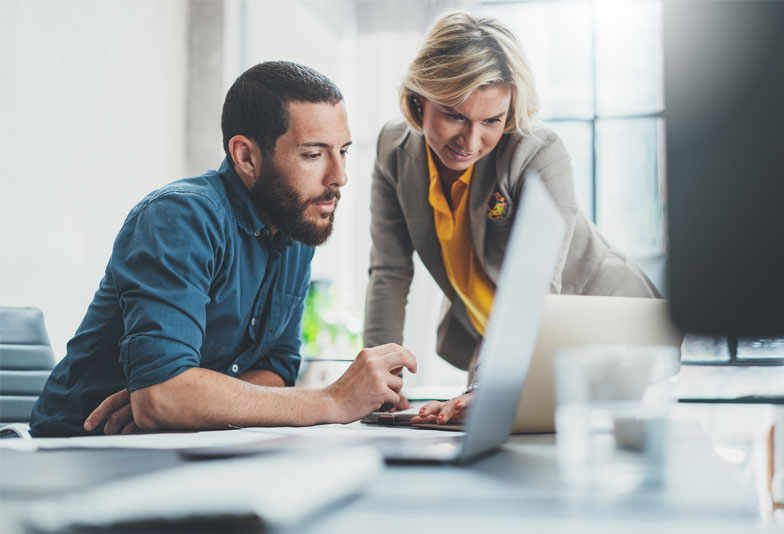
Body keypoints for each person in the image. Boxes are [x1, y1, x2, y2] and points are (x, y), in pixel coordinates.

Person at [30, 61, 416, 437]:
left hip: (182, 446)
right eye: (313, 155)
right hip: (76, 448)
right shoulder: (179, 217)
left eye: (343, 151)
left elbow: (277, 370)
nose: (340, 176)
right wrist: (331, 401)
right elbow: (161, 398)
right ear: (246, 156)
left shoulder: (295, 226)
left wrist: (189, 401)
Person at [363, 10, 658, 426]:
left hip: (604, 330)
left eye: (492, 121)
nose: (470, 141)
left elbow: (535, 293)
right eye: (454, 115)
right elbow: (389, 273)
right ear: (419, 100)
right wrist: (378, 383)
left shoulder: (537, 153)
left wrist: (486, 386)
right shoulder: (393, 151)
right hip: (500, 338)